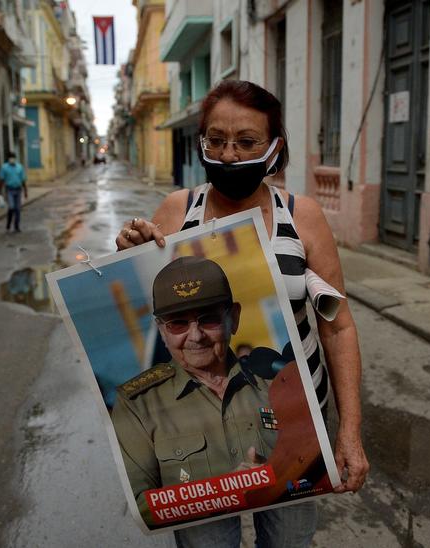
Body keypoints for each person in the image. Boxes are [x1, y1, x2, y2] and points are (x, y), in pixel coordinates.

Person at [115, 80, 369, 546]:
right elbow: (150, 309)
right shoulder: (178, 210)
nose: (229, 155)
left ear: (274, 148)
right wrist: (130, 253)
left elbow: (338, 329)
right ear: (202, 143)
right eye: (216, 140)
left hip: (294, 429)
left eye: (247, 142)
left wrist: (349, 431)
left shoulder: (303, 217)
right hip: (195, 434)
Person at [112, 257, 322, 543]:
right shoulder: (138, 403)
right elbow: (142, 507)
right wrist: (223, 491)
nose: (195, 336)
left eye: (208, 318)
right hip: (201, 520)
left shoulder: (278, 378)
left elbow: (315, 453)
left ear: (233, 317)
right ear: (161, 330)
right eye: (177, 324)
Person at [0, 152, 28, 232]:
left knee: (18, 209)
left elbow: (23, 180)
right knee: (11, 207)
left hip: (18, 190)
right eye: (11, 158)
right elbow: (1, 179)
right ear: (8, 159)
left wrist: (25, 191)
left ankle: (16, 226)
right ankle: (8, 222)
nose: (12, 159)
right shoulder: (4, 167)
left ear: (15, 158)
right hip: (9, 190)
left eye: (13, 158)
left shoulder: (19, 167)